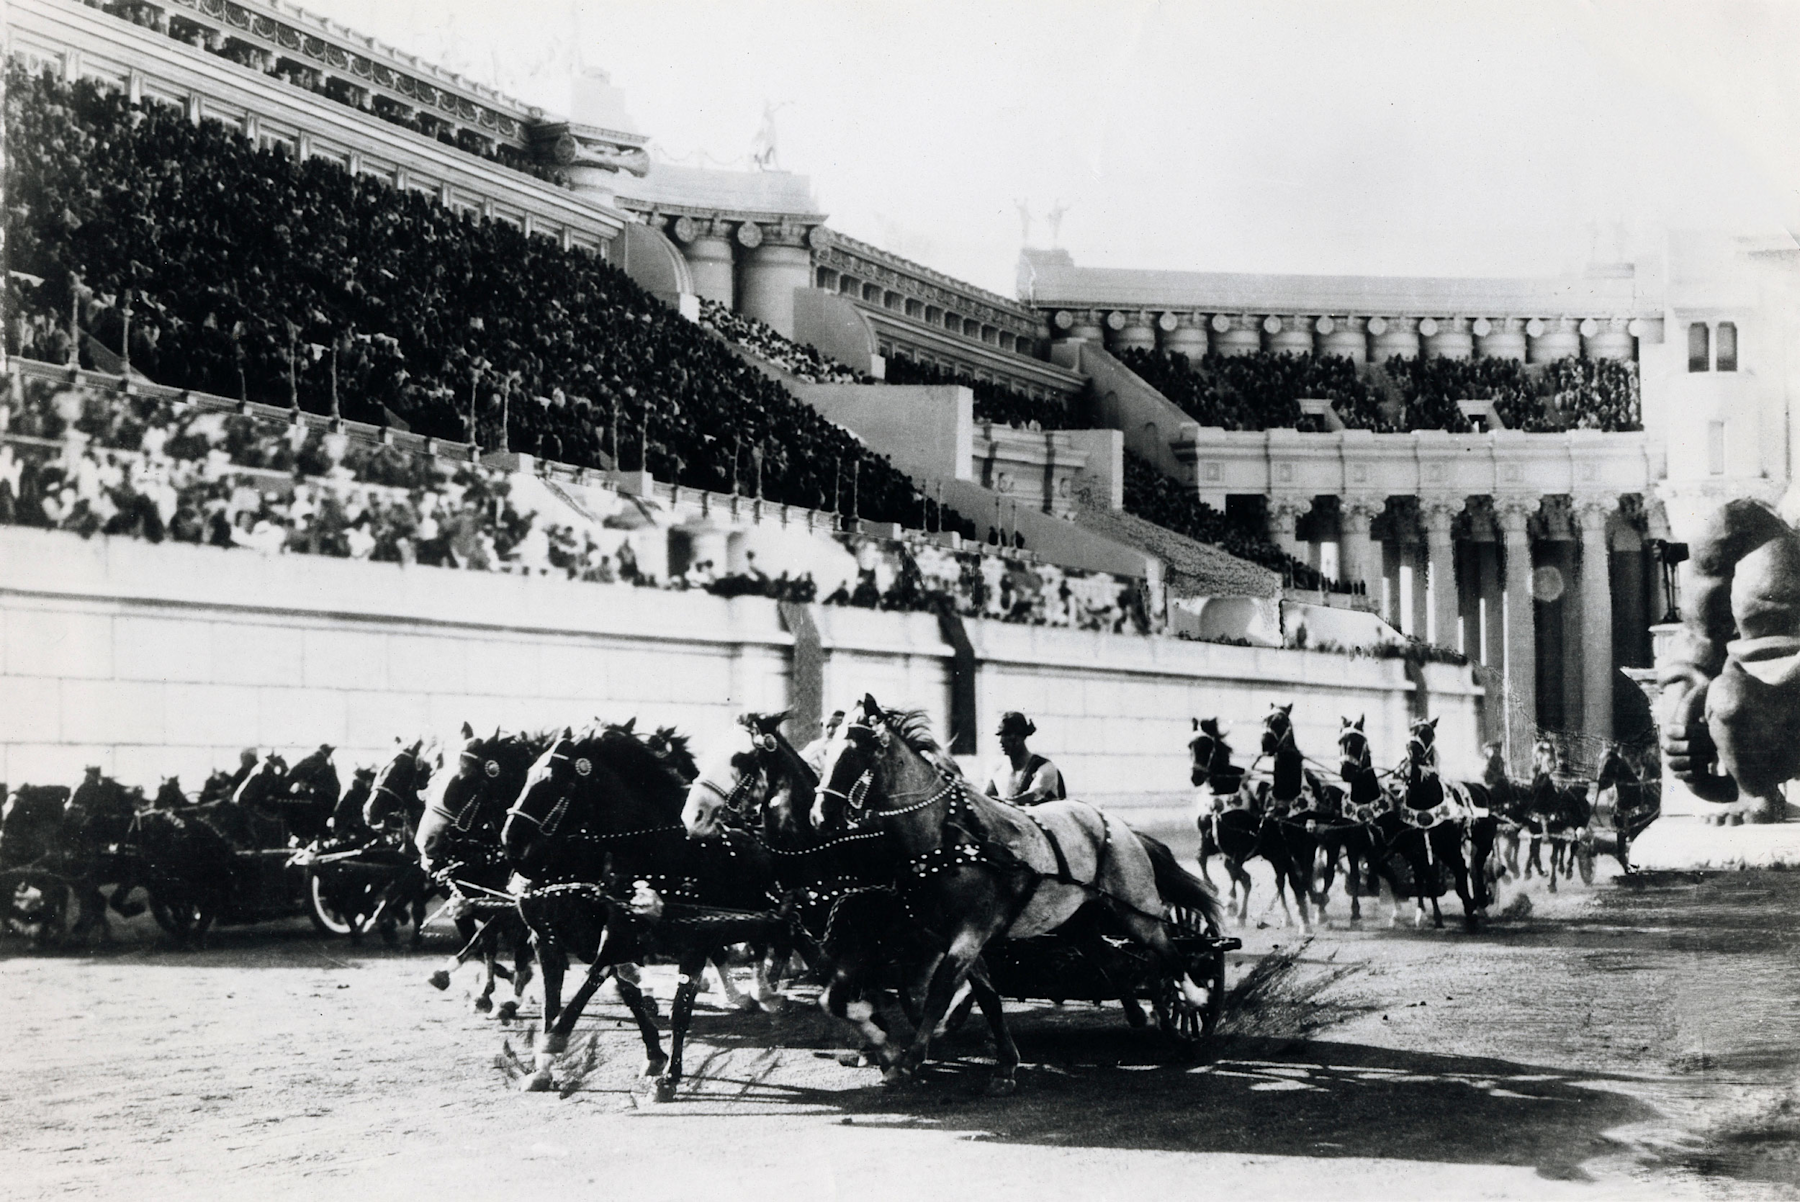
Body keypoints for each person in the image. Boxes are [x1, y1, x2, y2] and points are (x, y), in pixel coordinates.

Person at [985, 712, 1065, 805]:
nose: (1001, 741)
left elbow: (1034, 794)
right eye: (999, 735)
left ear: (1021, 736)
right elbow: (985, 798)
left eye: (1007, 734)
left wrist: (1004, 803)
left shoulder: (1044, 767)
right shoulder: (997, 769)